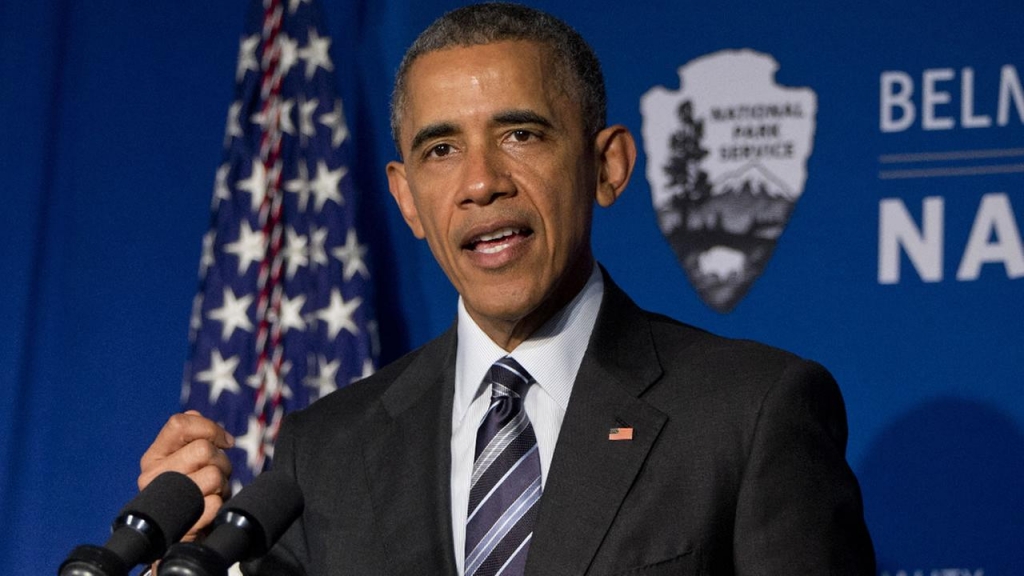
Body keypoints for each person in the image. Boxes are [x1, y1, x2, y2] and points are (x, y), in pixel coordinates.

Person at [139, 4, 875, 574]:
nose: (482, 182)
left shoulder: (748, 414)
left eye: (521, 134)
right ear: (406, 200)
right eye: (441, 149)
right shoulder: (326, 450)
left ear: (608, 166)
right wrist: (198, 549)